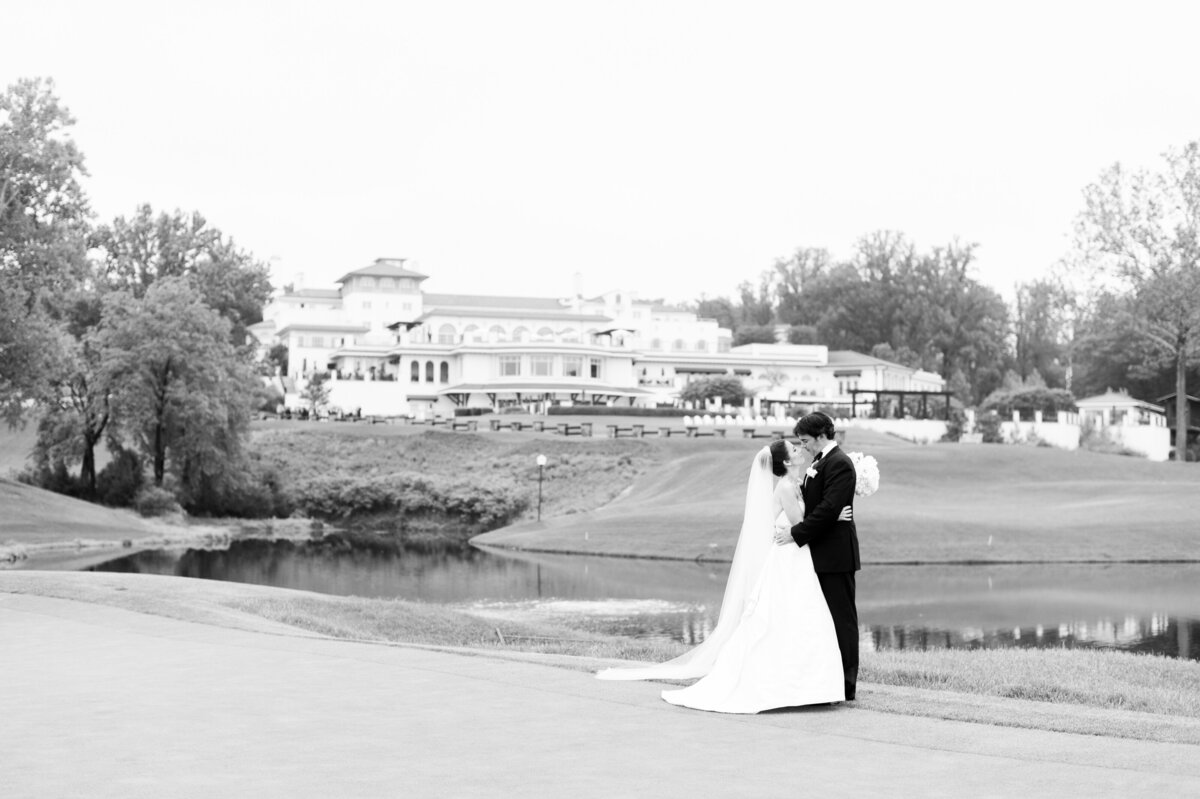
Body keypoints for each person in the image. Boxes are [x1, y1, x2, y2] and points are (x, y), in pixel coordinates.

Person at [596, 440, 848, 713]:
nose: (801, 451)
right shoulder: (787, 487)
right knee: (788, 616)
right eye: (795, 450)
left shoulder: (795, 483)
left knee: (799, 616)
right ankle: (793, 683)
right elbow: (801, 524)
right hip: (789, 560)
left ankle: (808, 684)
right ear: (786, 462)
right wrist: (833, 516)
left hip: (796, 558)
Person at [775, 411, 860, 702]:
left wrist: (796, 533)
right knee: (822, 621)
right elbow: (823, 507)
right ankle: (827, 681)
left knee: (842, 621)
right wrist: (830, 514)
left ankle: (848, 687)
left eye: (806, 440)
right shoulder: (820, 463)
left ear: (821, 436)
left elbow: (827, 508)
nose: (804, 446)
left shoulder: (841, 464)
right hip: (818, 553)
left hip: (836, 556)